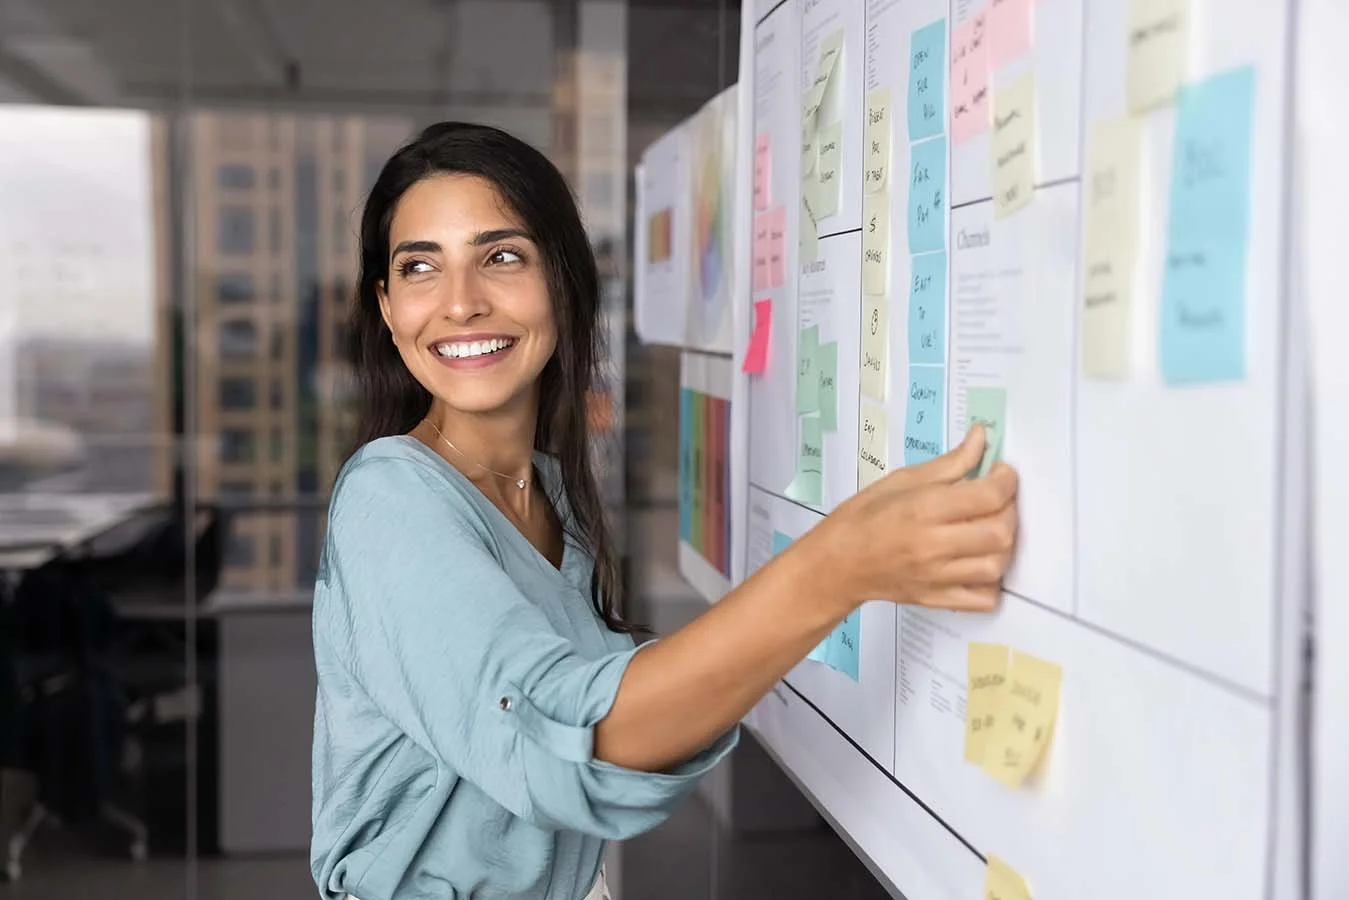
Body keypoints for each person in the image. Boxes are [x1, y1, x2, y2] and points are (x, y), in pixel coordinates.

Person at [309, 122, 1020, 900]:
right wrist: (835, 568)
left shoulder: (549, 496)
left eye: (501, 256)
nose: (460, 303)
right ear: (385, 306)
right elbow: (572, 741)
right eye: (419, 268)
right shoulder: (389, 497)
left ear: (564, 282)